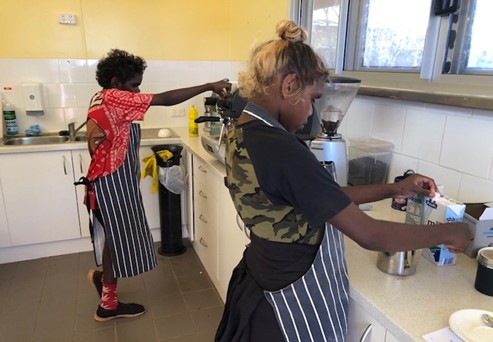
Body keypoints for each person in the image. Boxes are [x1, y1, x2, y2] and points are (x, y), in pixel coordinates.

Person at [215, 20, 473, 341]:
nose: (312, 113)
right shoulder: (281, 147)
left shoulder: (244, 129)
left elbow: (326, 194)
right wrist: (454, 230)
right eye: (313, 98)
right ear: (290, 85)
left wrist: (395, 188)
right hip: (289, 299)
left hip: (259, 278)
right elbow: (371, 235)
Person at [80, 48, 231, 322]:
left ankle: (106, 284)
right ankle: (107, 304)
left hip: (107, 179)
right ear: (116, 83)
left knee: (116, 236)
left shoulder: (101, 97)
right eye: (134, 85)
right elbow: (164, 99)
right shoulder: (116, 97)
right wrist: (209, 85)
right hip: (111, 181)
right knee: (119, 238)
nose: (138, 92)